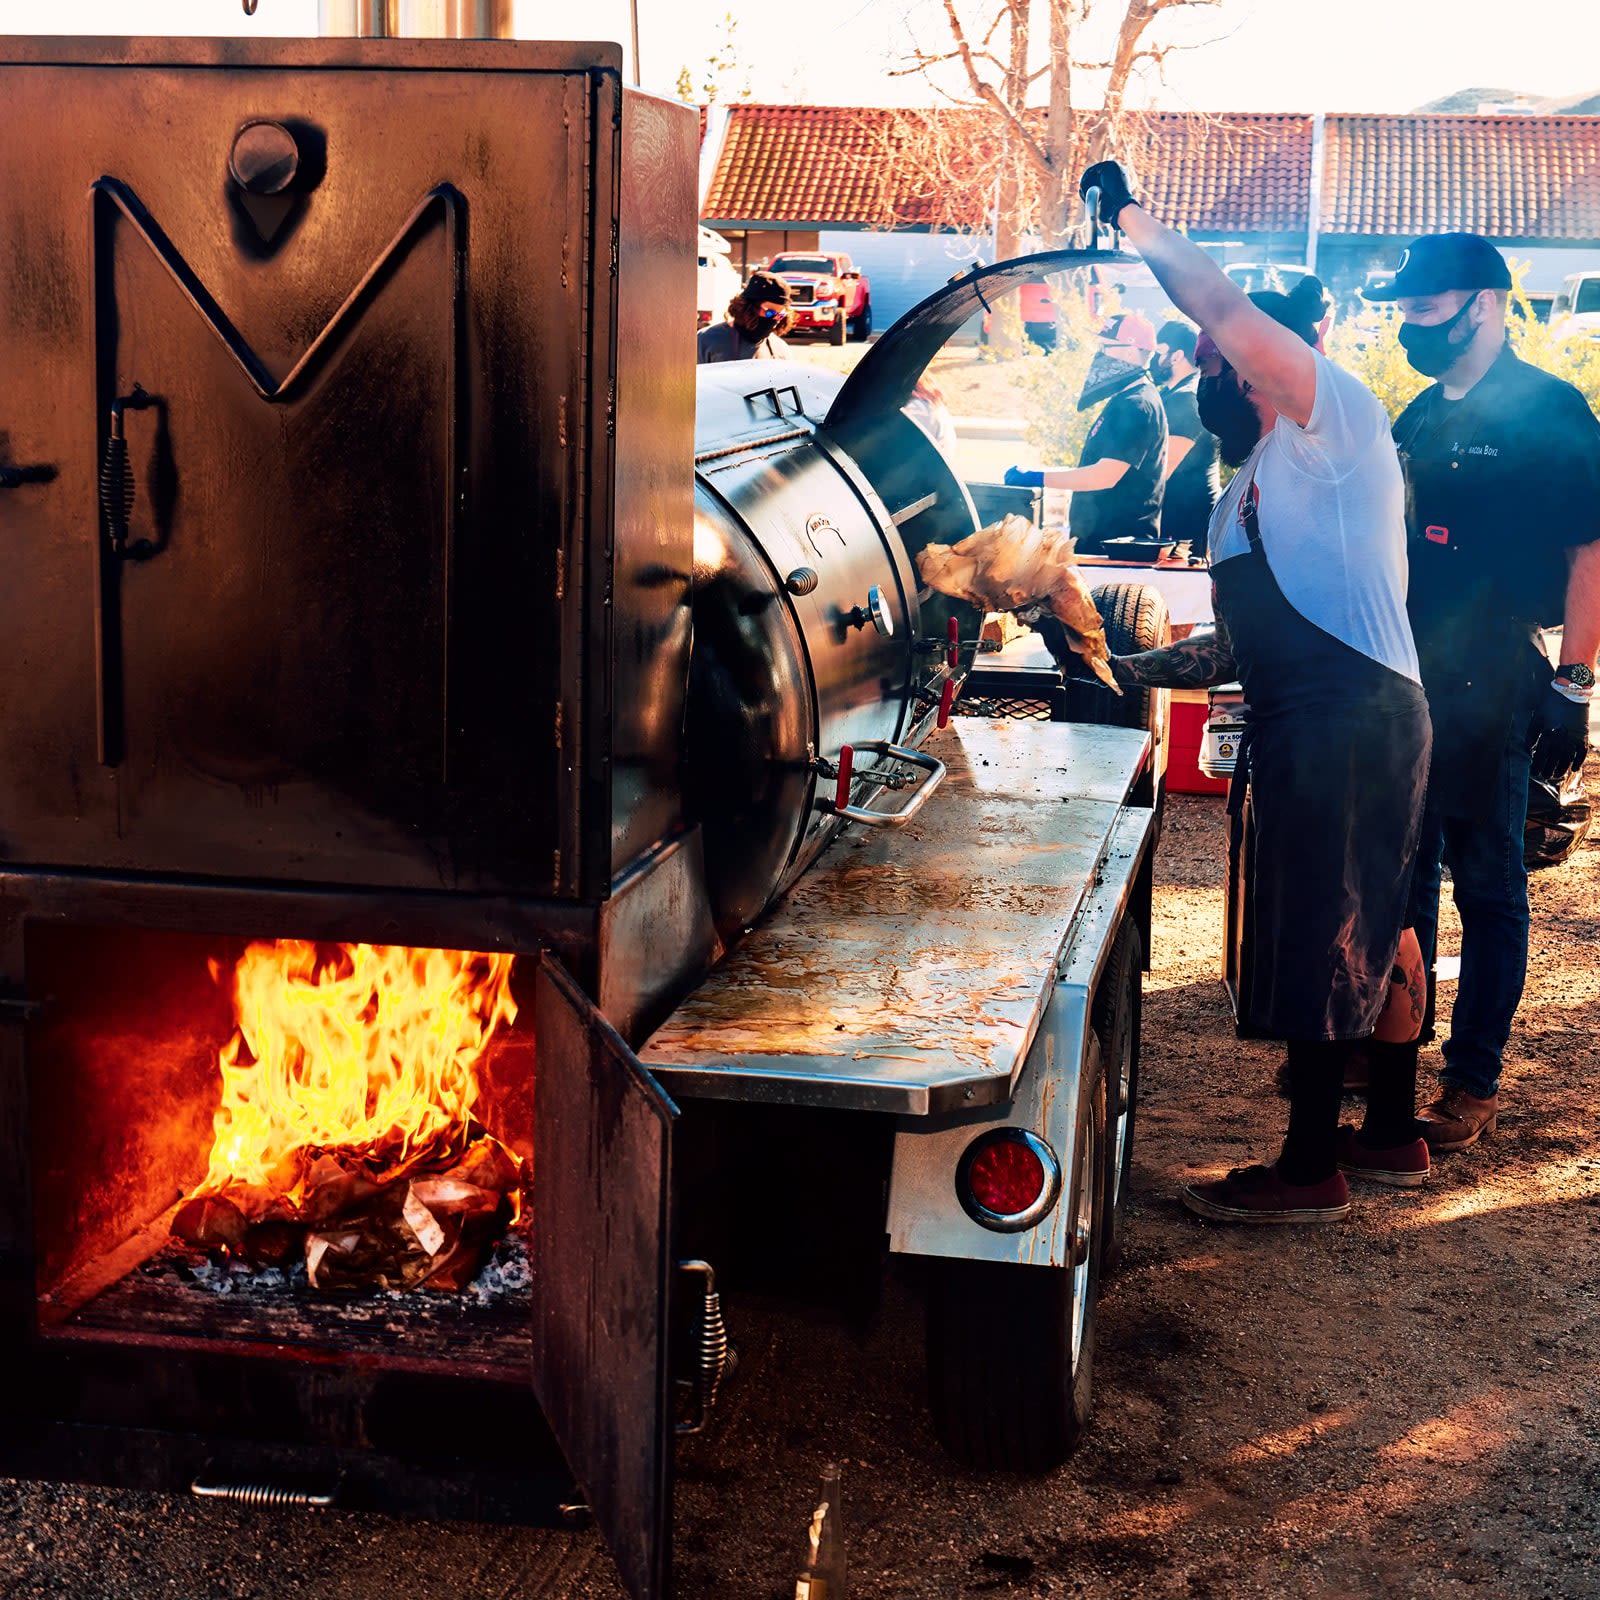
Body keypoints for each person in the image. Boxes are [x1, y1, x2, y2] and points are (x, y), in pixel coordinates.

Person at [1053, 159, 1433, 1224]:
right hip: (1324, 719)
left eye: (1213, 362)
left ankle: (1311, 1167)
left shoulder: (1332, 425)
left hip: (1349, 719)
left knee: (1324, 931)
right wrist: (1120, 668)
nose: (1199, 372)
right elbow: (1234, 641)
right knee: (1382, 921)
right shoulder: (1244, 488)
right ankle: (1391, 1130)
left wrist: (1127, 215)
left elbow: (1213, 300)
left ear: (1257, 362)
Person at [1362, 234, 1600, 1153]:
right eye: (1408, 309)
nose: (1414, 322)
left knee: (1492, 885)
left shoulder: (1553, 410)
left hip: (1502, 674)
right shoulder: (1418, 415)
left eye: (1431, 306)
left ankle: (1473, 1081)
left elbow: (1590, 553)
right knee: (1405, 873)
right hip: (1410, 668)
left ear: (1490, 304)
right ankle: (1394, 1046)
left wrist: (1575, 684)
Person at [1003, 311, 1167, 555]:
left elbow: (1104, 476)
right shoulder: (1126, 400)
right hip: (1102, 541)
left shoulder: (1137, 406)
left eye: (1106, 346)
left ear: (1131, 352)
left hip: (1118, 547)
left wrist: (1038, 478)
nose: (1099, 353)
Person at [1152, 319, 1220, 559]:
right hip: (1176, 512)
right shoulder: (1171, 394)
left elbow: (1164, 466)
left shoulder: (1187, 398)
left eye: (1159, 352)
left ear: (1176, 355)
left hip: (1188, 519)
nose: (1153, 360)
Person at [697, 270, 793, 363]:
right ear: (748, 307)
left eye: (780, 314)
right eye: (770, 312)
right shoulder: (706, 340)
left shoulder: (781, 349)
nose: (775, 319)